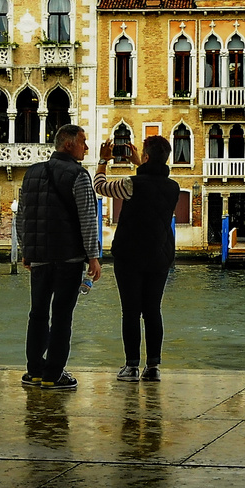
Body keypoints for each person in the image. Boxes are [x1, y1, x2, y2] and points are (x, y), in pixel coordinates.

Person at [15, 124, 101, 390]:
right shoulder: (79, 175)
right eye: (83, 142)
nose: (86, 147)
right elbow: (88, 218)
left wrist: (26, 250)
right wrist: (94, 257)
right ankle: (53, 374)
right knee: (62, 316)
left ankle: (34, 371)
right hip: (68, 258)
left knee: (37, 314)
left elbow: (22, 218)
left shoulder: (31, 173)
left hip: (39, 257)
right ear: (68, 144)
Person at [94, 134, 180, 381]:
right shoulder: (173, 188)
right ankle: (153, 368)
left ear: (145, 156)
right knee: (153, 311)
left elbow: (99, 186)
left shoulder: (131, 184)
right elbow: (151, 179)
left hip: (129, 256)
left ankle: (131, 366)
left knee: (130, 312)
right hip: (160, 256)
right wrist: (140, 163)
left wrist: (103, 160)